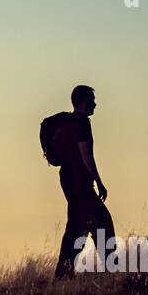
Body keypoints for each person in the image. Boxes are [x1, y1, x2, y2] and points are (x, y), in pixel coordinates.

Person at [44, 84, 115, 278]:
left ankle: (64, 273)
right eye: (92, 100)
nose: (95, 104)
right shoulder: (82, 123)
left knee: (80, 226)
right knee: (99, 223)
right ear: (84, 101)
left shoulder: (68, 122)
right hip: (79, 182)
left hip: (68, 179)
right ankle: (108, 269)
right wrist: (99, 182)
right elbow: (86, 157)